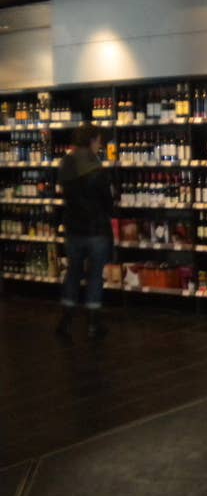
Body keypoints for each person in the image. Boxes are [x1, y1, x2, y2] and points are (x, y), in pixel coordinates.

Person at [56, 124, 113, 339]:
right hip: (96, 229)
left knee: (73, 273)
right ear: (91, 141)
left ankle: (66, 321)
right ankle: (93, 324)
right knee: (95, 276)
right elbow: (106, 201)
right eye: (99, 141)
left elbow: (65, 195)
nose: (100, 146)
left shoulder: (66, 163)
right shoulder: (94, 168)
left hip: (73, 229)